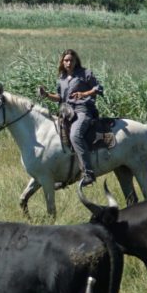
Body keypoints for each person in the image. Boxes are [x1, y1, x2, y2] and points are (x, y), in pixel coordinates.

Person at [37, 49, 103, 191]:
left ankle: (88, 173)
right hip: (66, 112)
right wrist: (47, 94)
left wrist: (84, 93)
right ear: (62, 62)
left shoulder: (85, 73)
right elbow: (60, 98)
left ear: (75, 61)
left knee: (75, 135)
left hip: (82, 110)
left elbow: (98, 88)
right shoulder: (61, 78)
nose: (68, 63)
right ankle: (65, 176)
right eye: (66, 60)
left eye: (71, 60)